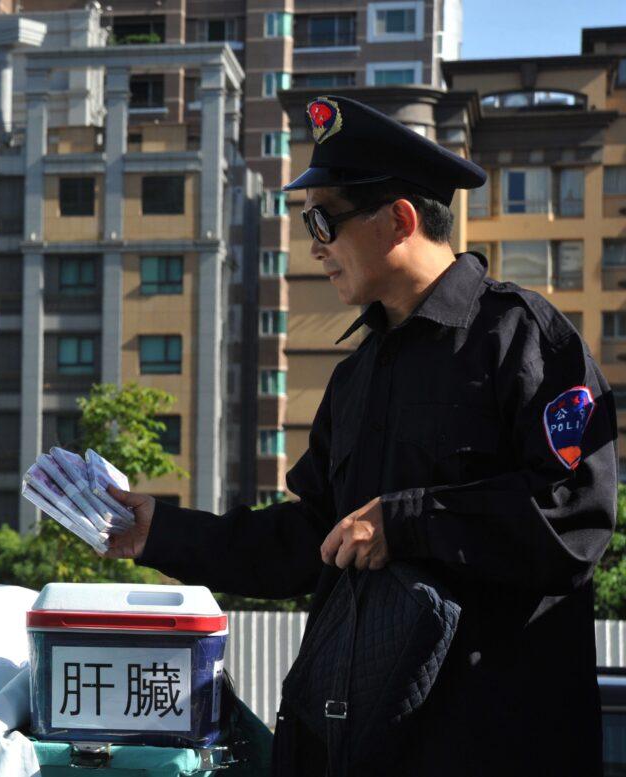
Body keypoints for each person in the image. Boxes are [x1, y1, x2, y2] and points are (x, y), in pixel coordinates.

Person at [106, 95, 617, 775]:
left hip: (493, 746)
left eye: (324, 218)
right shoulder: (355, 376)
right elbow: (306, 541)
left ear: (399, 219)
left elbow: (574, 522)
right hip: (360, 747)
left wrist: (406, 522)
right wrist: (162, 532)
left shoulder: (523, 338)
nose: (313, 243)